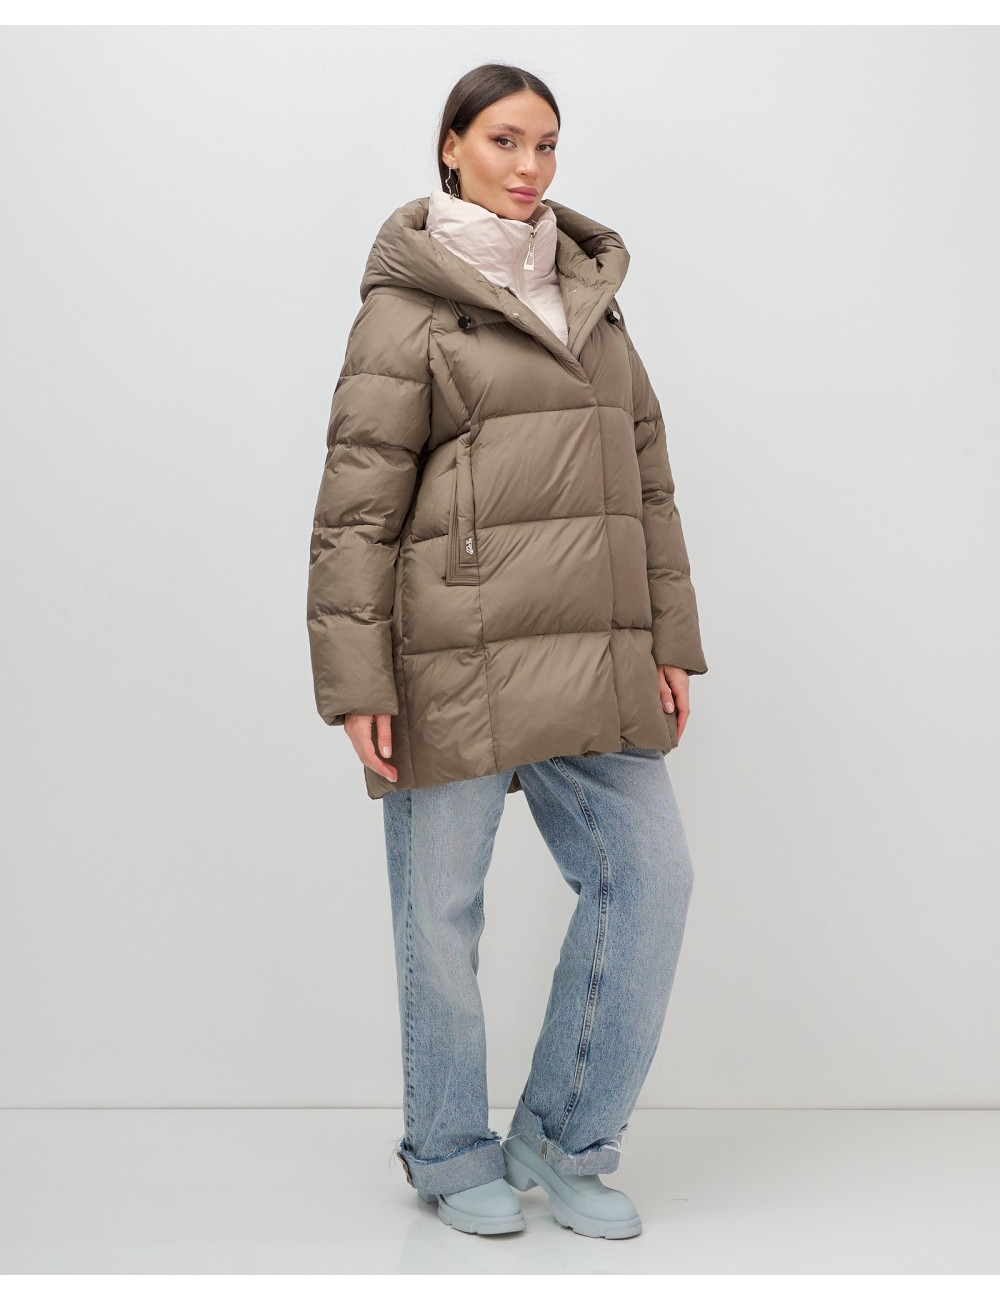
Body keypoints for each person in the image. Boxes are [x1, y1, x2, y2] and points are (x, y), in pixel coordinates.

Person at [306, 63, 708, 1240]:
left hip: (593, 645)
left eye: (545, 144)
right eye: (503, 140)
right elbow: (356, 510)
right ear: (451, 146)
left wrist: (667, 639)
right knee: (439, 915)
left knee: (651, 878)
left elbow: (644, 476)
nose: (529, 167)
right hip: (449, 654)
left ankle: (564, 1136)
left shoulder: (591, 293)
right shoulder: (407, 310)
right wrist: (356, 681)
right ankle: (446, 1147)